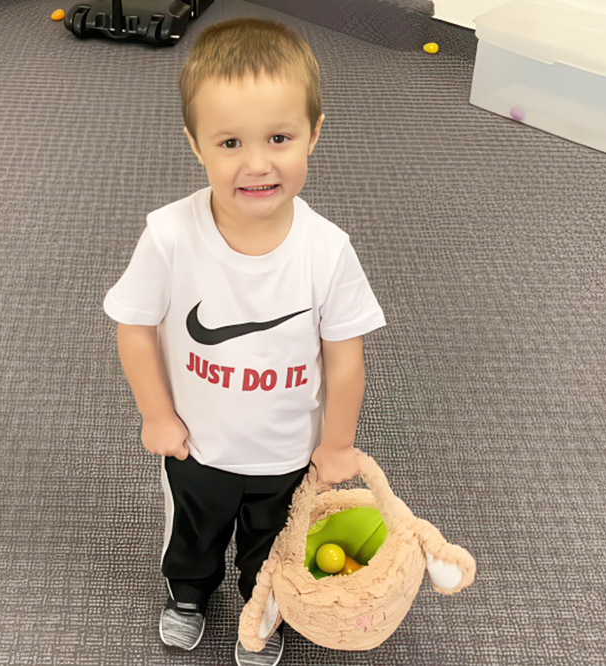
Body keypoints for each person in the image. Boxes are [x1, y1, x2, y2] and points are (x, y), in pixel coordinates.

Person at [104, 17, 385, 666]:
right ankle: (187, 594)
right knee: (193, 538)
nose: (257, 163)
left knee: (275, 549)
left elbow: (346, 359)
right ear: (195, 145)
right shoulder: (170, 235)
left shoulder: (327, 252)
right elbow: (135, 325)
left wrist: (337, 444)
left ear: (314, 133)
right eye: (230, 142)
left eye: (279, 138)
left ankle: (263, 615)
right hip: (197, 446)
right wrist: (156, 414)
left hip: (291, 454)